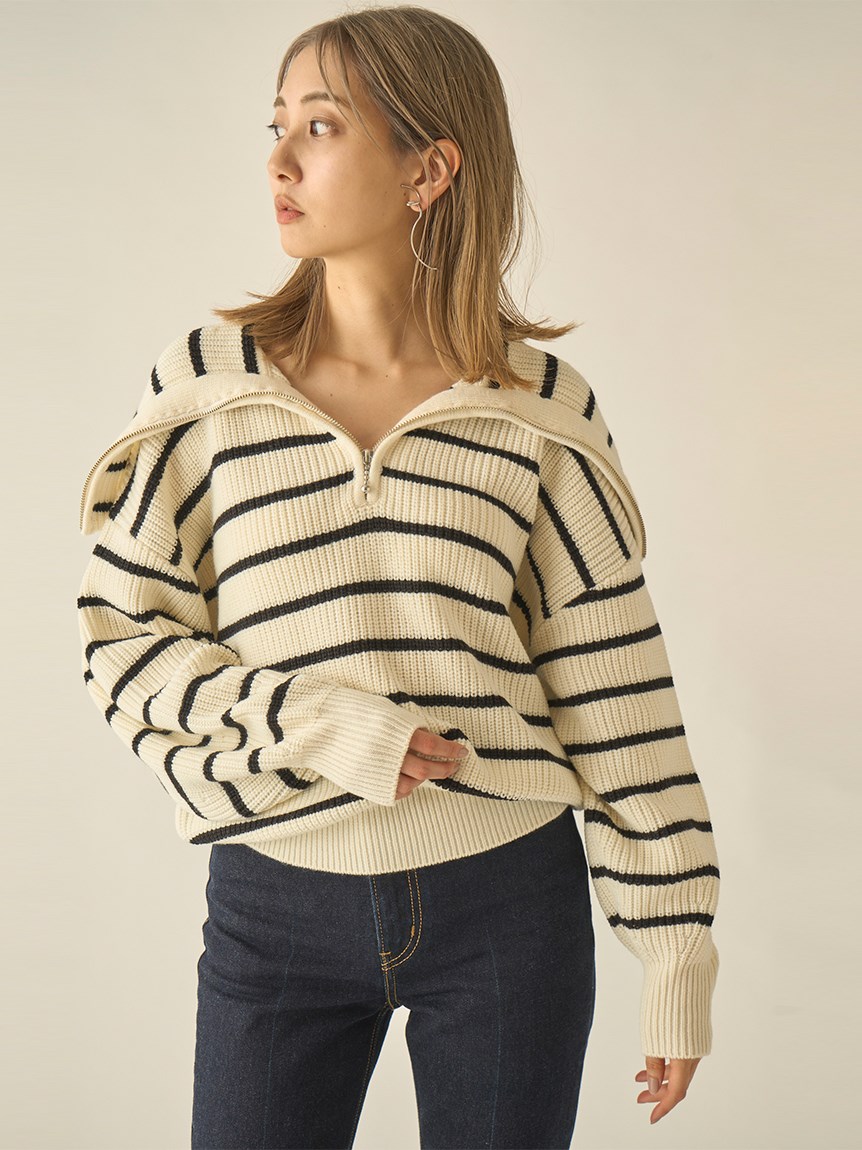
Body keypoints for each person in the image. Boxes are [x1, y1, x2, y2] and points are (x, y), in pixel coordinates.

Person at [76, 5, 720, 1148]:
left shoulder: (537, 408)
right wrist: (319, 722)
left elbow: (616, 688)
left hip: (507, 901)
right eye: (276, 125)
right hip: (273, 902)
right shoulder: (206, 388)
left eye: (320, 126)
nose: (279, 159)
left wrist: (674, 948)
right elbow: (124, 650)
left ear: (430, 169)